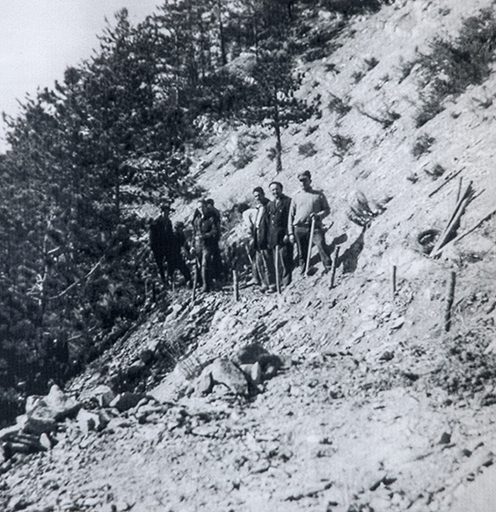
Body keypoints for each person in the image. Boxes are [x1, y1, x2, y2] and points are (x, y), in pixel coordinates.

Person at [288, 170, 331, 273]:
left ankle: (328, 267)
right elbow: (290, 216)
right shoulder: (296, 197)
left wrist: (318, 215)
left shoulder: (318, 195)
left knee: (321, 244)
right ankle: (305, 269)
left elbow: (327, 210)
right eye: (300, 181)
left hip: (314, 226)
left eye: (305, 180)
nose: (303, 183)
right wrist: (290, 233)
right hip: (299, 228)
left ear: (310, 180)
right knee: (302, 251)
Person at [267, 181, 293, 288]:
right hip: (274, 237)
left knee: (285, 258)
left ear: (281, 189)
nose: (275, 192)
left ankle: (287, 282)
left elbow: (290, 219)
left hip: (284, 236)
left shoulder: (288, 201)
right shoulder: (271, 204)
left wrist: (288, 233)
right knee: (276, 261)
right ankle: (279, 283)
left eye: (277, 189)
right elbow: (269, 222)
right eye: (272, 190)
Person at [192, 199, 219, 292]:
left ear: (206, 207)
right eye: (199, 207)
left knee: (205, 264)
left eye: (203, 207)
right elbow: (194, 233)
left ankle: (206, 286)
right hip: (198, 245)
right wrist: (192, 245)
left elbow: (214, 231)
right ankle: (205, 283)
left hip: (207, 245)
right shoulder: (197, 219)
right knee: (199, 265)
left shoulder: (211, 218)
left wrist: (204, 236)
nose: (201, 209)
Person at [253, 187, 275, 292]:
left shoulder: (269, 205)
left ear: (263, 194)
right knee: (259, 262)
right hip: (258, 237)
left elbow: (271, 224)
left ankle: (272, 283)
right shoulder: (258, 207)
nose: (257, 198)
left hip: (266, 237)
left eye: (258, 195)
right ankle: (264, 283)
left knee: (268, 262)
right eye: (255, 196)